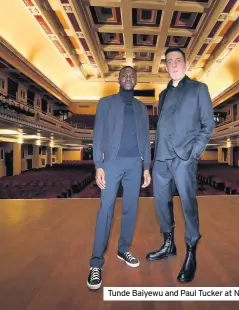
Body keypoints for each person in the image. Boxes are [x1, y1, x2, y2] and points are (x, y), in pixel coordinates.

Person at [146, 47, 215, 283]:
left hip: (184, 158)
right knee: (161, 204)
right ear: (165, 66)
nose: (174, 64)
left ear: (186, 64)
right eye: (169, 61)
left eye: (178, 60)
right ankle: (168, 244)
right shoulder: (163, 95)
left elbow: (208, 126)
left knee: (188, 205)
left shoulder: (199, 89)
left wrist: (193, 154)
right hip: (162, 159)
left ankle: (191, 252)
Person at [87, 66, 151, 290]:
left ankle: (123, 250)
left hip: (135, 164)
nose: (128, 78)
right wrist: (99, 165)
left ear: (136, 80)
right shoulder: (106, 103)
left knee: (130, 209)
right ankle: (96, 262)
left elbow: (145, 138)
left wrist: (146, 167)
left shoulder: (142, 108)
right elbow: (98, 135)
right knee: (106, 209)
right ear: (118, 78)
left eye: (132, 75)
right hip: (112, 163)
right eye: (124, 74)